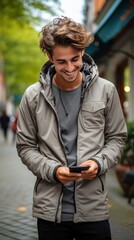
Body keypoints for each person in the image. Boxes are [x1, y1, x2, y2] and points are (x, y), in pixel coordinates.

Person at [16, 16, 127, 240]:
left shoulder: (107, 90)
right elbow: (25, 147)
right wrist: (53, 170)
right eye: (61, 62)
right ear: (50, 57)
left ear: (83, 51)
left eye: (75, 59)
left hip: (94, 209)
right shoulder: (32, 96)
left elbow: (116, 138)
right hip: (50, 213)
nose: (69, 68)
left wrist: (98, 162)